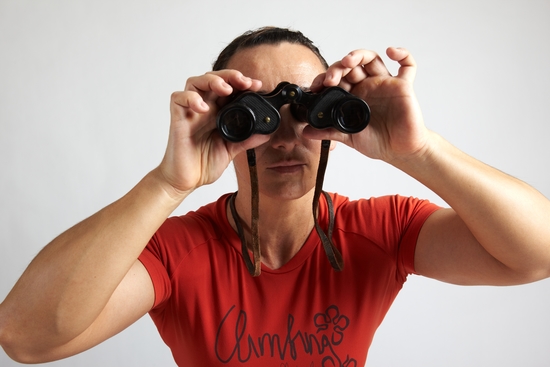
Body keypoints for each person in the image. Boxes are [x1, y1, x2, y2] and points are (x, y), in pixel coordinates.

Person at [1, 26, 550, 366]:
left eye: (310, 112)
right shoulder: (177, 252)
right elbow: (24, 338)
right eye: (259, 119)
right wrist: (167, 184)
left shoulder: (380, 232)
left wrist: (419, 151)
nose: (287, 138)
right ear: (225, 123)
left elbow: (537, 254)